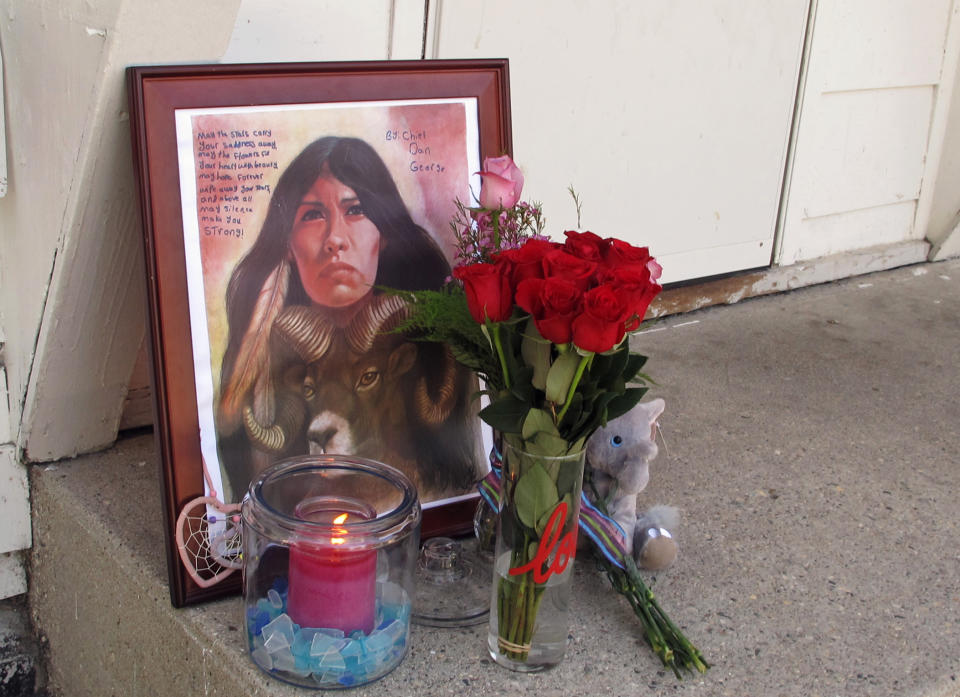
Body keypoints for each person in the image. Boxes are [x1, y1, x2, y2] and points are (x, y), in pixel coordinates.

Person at [215, 136, 482, 502]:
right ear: (288, 245)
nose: (334, 239)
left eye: (355, 209)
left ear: (383, 233)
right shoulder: (269, 354)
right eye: (312, 215)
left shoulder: (434, 349)